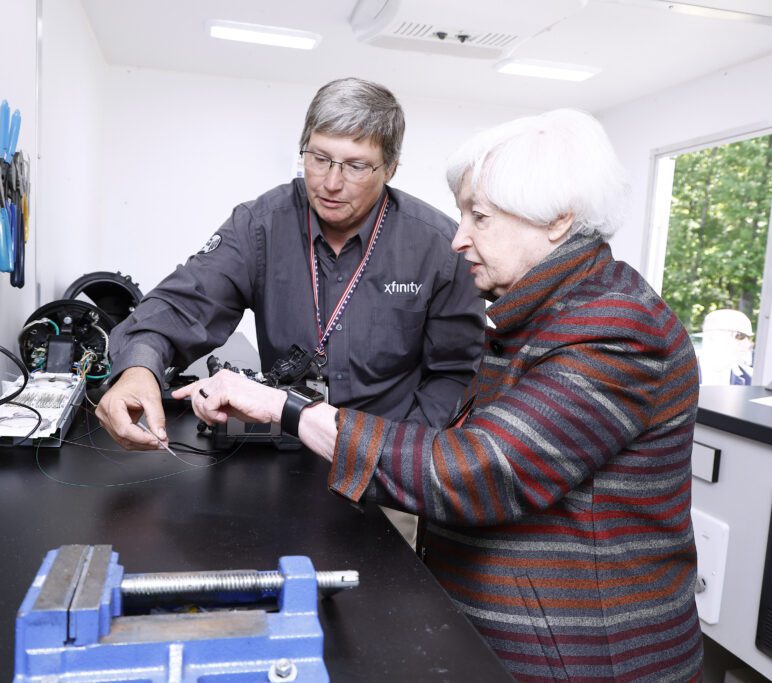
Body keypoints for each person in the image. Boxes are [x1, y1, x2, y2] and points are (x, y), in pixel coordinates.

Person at [176, 109, 705, 681]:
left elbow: (477, 472)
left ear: (557, 222)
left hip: (581, 658)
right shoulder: (545, 312)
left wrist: (287, 409)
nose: (458, 238)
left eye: (479, 216)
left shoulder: (616, 327)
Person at [97, 78, 485, 545]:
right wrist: (139, 366)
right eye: (318, 157)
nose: (330, 182)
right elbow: (185, 300)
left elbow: (456, 373)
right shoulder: (261, 224)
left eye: (356, 166)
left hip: (385, 478)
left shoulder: (440, 247)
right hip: (285, 464)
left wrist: (394, 455)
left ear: (391, 168)